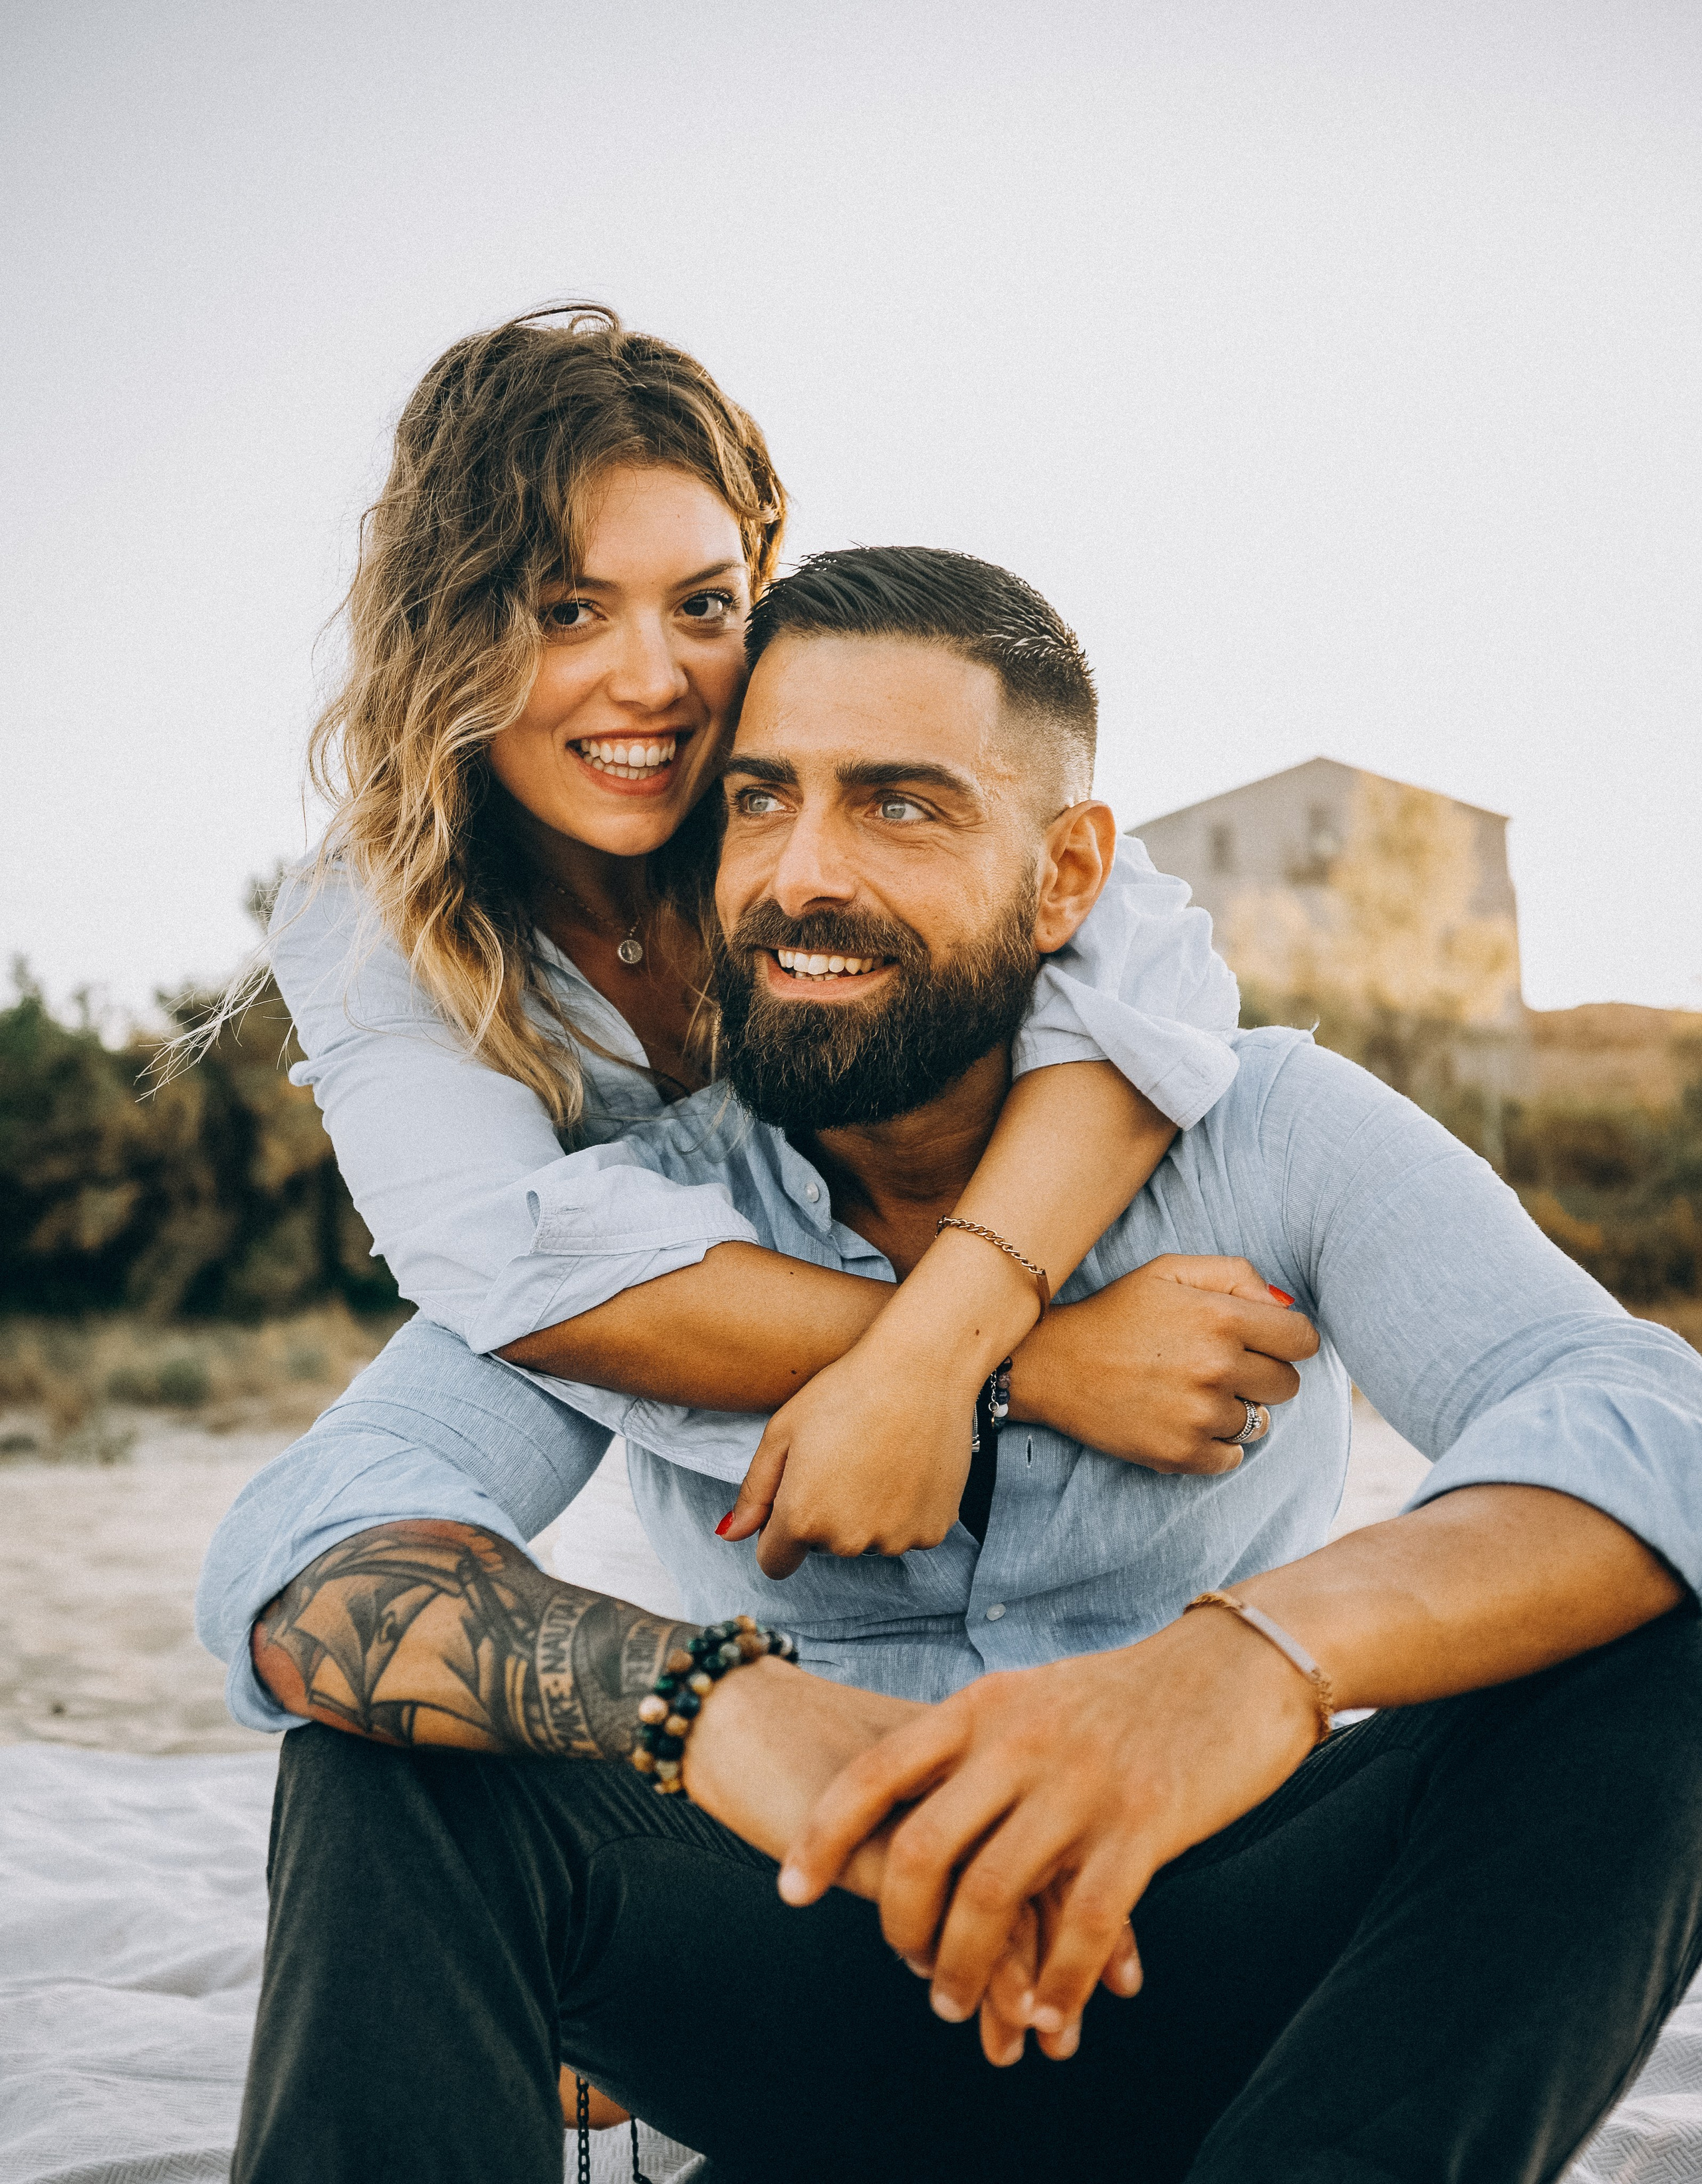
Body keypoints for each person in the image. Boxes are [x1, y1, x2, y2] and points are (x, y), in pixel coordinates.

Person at [201, 547, 1702, 2184]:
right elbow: (302, 1551)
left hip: (1235, 1972)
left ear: (1064, 877)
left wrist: (1244, 1663)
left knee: (1661, 1655)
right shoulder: (647, 1229)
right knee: (392, 1753)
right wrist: (707, 1702)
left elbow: (1639, 1420)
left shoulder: (1259, 1129)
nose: (801, 873)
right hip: (823, 1965)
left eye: (897, 805)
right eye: (759, 801)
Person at [251, 303, 1273, 1563]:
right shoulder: (371, 905)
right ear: (450, 628)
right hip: (637, 1338)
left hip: (995, 1250)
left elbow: (1151, 968)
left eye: (703, 605)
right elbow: (509, 1264)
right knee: (316, 1551)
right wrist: (1032, 1365)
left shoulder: (807, 782)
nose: (655, 681)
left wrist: (954, 1333)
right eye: (570, 610)